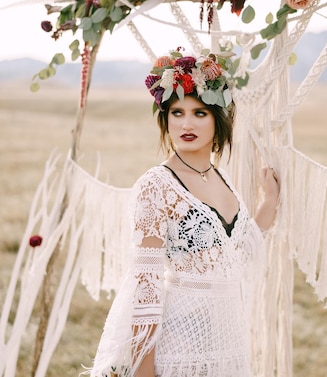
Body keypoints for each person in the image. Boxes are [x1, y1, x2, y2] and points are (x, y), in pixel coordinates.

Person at [88, 47, 279, 377]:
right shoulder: (157, 185)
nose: (186, 123)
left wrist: (268, 203)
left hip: (227, 344)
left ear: (218, 119)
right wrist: (143, 370)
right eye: (177, 113)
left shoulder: (221, 177)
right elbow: (145, 285)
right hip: (177, 349)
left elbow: (238, 252)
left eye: (200, 113)